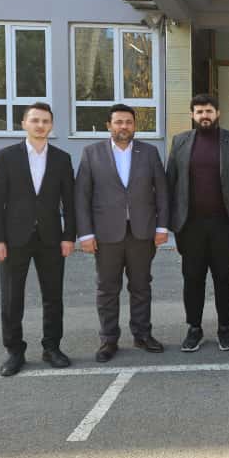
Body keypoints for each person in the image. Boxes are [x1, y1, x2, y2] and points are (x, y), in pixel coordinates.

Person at [0, 102, 76, 377]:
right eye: (35, 120)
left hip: (51, 239)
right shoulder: (6, 157)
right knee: (12, 298)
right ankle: (15, 351)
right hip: (14, 239)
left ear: (51, 126)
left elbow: (70, 202)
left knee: (53, 297)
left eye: (45, 121)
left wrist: (69, 237)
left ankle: (52, 347)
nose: (40, 125)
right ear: (24, 124)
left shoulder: (62, 159)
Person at [75, 104, 169, 363]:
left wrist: (162, 227)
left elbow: (162, 192)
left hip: (142, 232)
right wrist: (85, 234)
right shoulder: (92, 153)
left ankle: (142, 334)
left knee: (141, 286)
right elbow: (81, 196)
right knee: (107, 288)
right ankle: (109, 339)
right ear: (109, 125)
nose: (123, 126)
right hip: (106, 234)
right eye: (118, 122)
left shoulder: (149, 152)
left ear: (135, 126)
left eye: (128, 122)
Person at [165, 94, 229, 353]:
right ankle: (194, 328)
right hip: (191, 226)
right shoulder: (180, 141)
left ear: (218, 113)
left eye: (209, 111)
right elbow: (170, 182)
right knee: (192, 278)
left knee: (225, 278)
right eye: (199, 111)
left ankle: (225, 328)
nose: (204, 116)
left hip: (225, 225)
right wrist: (170, 224)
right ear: (192, 115)